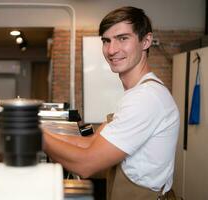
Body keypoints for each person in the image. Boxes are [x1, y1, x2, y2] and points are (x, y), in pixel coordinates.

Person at [42, 6, 180, 200]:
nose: (112, 50)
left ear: (146, 41)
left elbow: (86, 164)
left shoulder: (146, 98)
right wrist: (42, 131)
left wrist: (33, 136)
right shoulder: (138, 93)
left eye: (123, 38)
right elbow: (89, 143)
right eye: (106, 41)